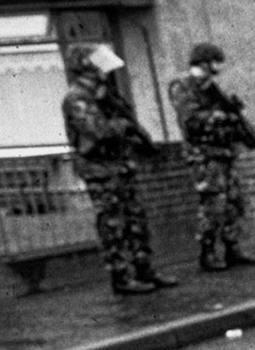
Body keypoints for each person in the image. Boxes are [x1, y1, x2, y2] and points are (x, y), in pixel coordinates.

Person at [60, 44, 177, 296]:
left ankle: (144, 269)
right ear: (86, 66)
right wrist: (123, 125)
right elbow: (97, 131)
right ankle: (121, 277)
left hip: (120, 166)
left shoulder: (105, 94)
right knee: (113, 225)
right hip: (99, 170)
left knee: (136, 220)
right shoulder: (78, 97)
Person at [169, 41, 255, 271]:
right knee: (213, 205)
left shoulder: (212, 88)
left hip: (224, 153)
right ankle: (208, 252)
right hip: (204, 156)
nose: (218, 67)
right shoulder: (183, 86)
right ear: (204, 62)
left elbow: (228, 117)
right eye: (215, 62)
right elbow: (191, 121)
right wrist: (221, 116)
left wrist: (238, 122)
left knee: (233, 202)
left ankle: (233, 248)